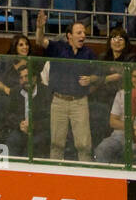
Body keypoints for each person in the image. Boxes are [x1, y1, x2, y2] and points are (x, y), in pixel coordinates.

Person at [35, 11, 94, 163]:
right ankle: (55, 175)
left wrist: (91, 79)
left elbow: (100, 74)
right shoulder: (57, 48)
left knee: (84, 144)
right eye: (79, 32)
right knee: (56, 143)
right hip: (58, 101)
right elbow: (39, 41)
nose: (83, 36)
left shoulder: (88, 53)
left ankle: (85, 174)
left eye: (84, 33)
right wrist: (40, 27)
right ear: (69, 35)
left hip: (80, 102)